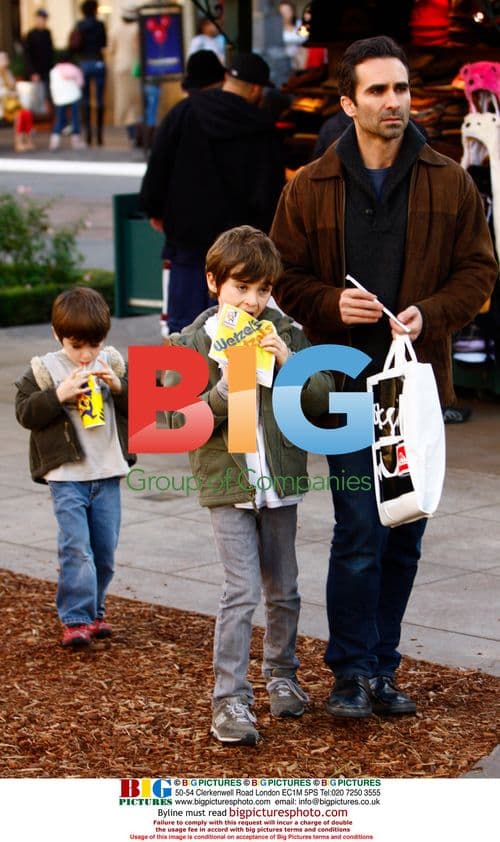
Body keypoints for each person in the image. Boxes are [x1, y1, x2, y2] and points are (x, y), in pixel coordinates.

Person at [270, 36, 497, 718]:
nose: (394, 101)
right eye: (377, 90)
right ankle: (349, 673)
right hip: (341, 390)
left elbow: (480, 272)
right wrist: (327, 302)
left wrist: (430, 314)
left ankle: (382, 668)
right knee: (359, 530)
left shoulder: (448, 179)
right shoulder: (310, 187)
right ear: (348, 102)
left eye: (400, 89)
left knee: (404, 530)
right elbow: (282, 277)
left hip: (415, 391)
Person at [164, 225, 333, 744]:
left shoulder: (288, 330)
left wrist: (291, 363)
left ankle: (282, 675)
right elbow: (174, 423)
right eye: (242, 288)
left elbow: (323, 402)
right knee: (240, 591)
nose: (254, 301)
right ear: (214, 283)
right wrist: (221, 386)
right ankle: (230, 701)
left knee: (284, 588)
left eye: (263, 290)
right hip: (227, 484)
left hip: (279, 481)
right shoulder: (189, 343)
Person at [15, 287, 135, 648]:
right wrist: (58, 394)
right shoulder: (44, 370)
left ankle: (96, 611)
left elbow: (143, 407)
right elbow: (24, 412)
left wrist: (119, 387)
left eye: (93, 345)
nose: (85, 354)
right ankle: (76, 618)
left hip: (107, 473)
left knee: (104, 551)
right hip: (67, 477)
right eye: (76, 345)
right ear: (58, 335)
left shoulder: (111, 362)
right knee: (76, 548)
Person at [140, 52, 285, 335]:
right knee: (239, 332)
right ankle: (235, 379)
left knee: (183, 330)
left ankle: (182, 379)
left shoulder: (183, 112)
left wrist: (154, 210)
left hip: (187, 245)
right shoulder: (261, 128)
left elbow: (157, 168)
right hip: (241, 254)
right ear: (256, 89)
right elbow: (269, 194)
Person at [72, 0, 107, 145]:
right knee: (99, 99)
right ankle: (99, 135)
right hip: (98, 61)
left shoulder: (79, 25)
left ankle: (88, 135)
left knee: (85, 99)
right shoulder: (100, 25)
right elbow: (104, 43)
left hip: (84, 62)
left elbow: (75, 45)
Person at [108, 4, 141, 147]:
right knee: (137, 101)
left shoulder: (115, 28)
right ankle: (139, 135)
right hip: (137, 67)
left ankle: (132, 135)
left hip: (120, 67)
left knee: (124, 100)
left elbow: (111, 49)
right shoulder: (138, 28)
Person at [48, 53, 85, 150]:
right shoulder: (74, 69)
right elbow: (80, 83)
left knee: (59, 119)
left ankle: (54, 142)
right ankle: (75, 141)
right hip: (74, 96)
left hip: (59, 98)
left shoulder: (54, 71)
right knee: (75, 119)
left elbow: (52, 86)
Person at [0, 51, 34, 152]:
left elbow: (14, 88)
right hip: (3, 104)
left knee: (26, 114)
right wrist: (10, 93)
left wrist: (15, 93)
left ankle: (27, 141)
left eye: (5, 58)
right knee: (19, 115)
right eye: (2, 59)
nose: (5, 61)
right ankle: (18, 142)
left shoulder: (8, 72)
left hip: (12, 103)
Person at [23, 7, 54, 104]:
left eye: (44, 19)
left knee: (48, 94)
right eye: (40, 18)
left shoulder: (47, 33)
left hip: (47, 70)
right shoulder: (30, 35)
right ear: (36, 19)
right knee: (37, 95)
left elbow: (50, 53)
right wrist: (33, 72)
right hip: (35, 71)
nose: (42, 21)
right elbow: (27, 55)